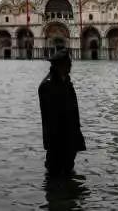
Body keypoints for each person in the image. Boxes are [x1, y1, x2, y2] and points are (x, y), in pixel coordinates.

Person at [38, 49, 86, 177]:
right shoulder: (47, 85)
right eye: (68, 63)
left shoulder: (65, 79)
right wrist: (57, 140)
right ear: (59, 65)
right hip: (58, 137)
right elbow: (50, 116)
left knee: (68, 167)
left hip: (70, 132)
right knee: (56, 170)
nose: (71, 65)